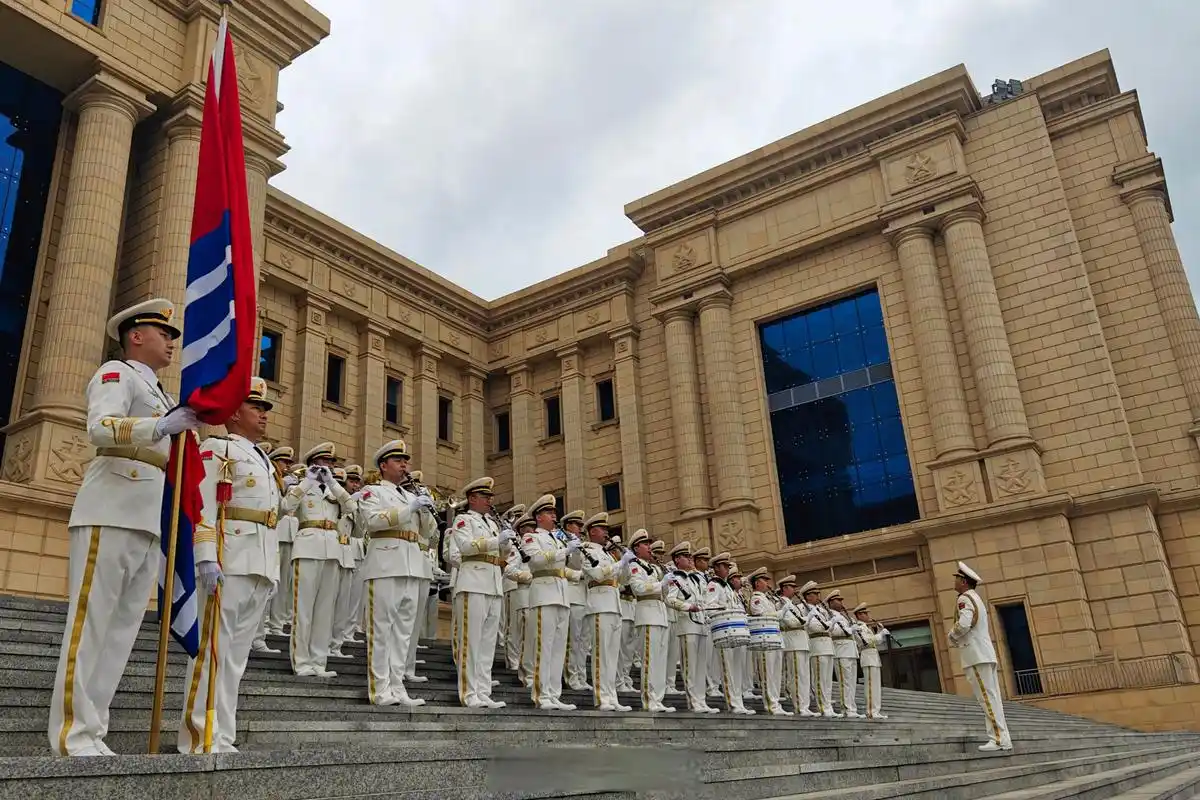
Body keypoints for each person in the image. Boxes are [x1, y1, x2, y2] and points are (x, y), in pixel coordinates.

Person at [48, 298, 199, 757]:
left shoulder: (160, 393)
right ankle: (70, 733)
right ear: (136, 336)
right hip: (111, 504)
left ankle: (94, 731)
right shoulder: (116, 374)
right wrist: (159, 426)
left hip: (149, 516)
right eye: (164, 334)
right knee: (91, 623)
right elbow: (101, 427)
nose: (172, 342)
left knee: (121, 631)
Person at [177, 377, 280, 753]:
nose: (264, 414)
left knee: (235, 659)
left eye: (265, 408)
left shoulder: (263, 459)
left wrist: (273, 568)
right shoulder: (217, 447)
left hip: (259, 562)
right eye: (257, 407)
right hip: (228, 558)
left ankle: (222, 734)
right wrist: (204, 555)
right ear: (234, 412)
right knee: (212, 651)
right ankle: (198, 734)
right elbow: (203, 504)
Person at [357, 439, 435, 706]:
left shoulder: (410, 494)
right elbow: (373, 521)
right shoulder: (373, 491)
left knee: (403, 632)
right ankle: (380, 689)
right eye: (398, 460)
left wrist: (425, 511)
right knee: (382, 629)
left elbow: (428, 534)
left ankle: (398, 686)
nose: (405, 465)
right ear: (383, 465)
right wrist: (410, 508)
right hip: (386, 563)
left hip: (411, 564)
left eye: (406, 461)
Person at [282, 442, 352, 678]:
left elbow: (352, 508)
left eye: (332, 463)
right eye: (325, 462)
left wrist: (333, 483)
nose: (329, 466)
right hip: (307, 546)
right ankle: (301, 662)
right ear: (314, 463)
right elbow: (286, 506)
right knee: (303, 609)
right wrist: (306, 482)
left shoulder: (335, 490)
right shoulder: (303, 486)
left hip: (331, 549)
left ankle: (318, 661)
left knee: (324, 611)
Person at [449, 477, 511, 709]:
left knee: (487, 644)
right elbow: (465, 547)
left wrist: (506, 542)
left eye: (490, 497)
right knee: (471, 641)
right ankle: (468, 692)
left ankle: (483, 691)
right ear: (472, 498)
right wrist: (497, 539)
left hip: (493, 583)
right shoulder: (463, 520)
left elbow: (503, 554)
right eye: (485, 497)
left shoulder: (492, 523)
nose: (489, 501)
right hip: (472, 581)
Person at [518, 495, 578, 711]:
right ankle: (542, 694)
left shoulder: (558, 539)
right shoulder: (531, 538)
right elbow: (537, 560)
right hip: (544, 594)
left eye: (554, 512)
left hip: (561, 594)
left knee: (558, 648)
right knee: (544, 646)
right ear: (539, 516)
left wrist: (575, 548)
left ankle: (554, 694)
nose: (554, 515)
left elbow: (575, 564)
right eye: (549, 512)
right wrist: (565, 550)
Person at [949, 561, 1012, 751]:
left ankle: (999, 738)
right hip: (984, 654)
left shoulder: (965, 599)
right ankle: (1002, 737)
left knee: (986, 698)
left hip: (975, 654)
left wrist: (952, 635)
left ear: (964, 582)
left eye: (958, 578)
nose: (955, 581)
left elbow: (964, 624)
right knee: (992, 697)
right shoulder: (975, 598)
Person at [579, 512, 635, 711]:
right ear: (593, 531)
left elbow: (625, 581)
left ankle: (612, 696)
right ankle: (602, 697)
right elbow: (597, 574)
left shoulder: (607, 554)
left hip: (613, 605)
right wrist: (619, 563)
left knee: (612, 655)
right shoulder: (587, 550)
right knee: (601, 654)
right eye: (603, 530)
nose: (606, 533)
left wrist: (627, 563)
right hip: (599, 606)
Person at [852, 602, 888, 720]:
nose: (868, 616)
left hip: (874, 657)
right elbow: (866, 642)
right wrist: (879, 635)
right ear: (859, 615)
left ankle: (876, 710)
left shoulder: (867, 628)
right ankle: (871, 711)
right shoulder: (858, 627)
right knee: (871, 686)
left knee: (876, 686)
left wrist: (880, 633)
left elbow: (876, 642)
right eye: (865, 613)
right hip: (867, 657)